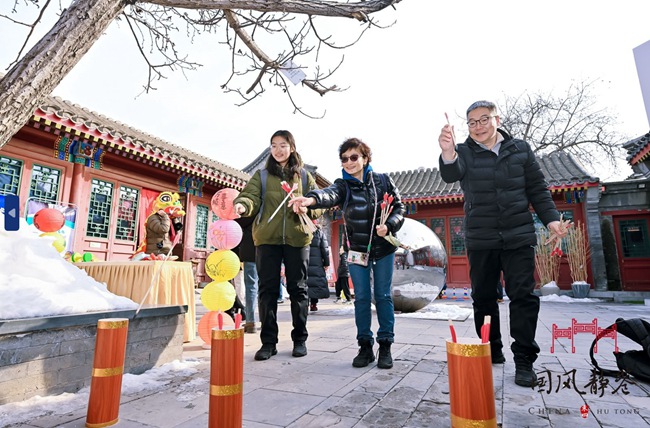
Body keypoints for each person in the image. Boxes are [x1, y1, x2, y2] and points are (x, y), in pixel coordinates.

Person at [437, 100, 568, 387]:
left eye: (484, 119)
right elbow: (450, 174)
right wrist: (447, 152)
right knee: (483, 298)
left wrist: (552, 221)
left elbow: (537, 188)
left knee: (522, 296)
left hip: (518, 235)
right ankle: (491, 348)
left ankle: (524, 360)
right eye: (471, 122)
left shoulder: (519, 149)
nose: (478, 126)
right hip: (481, 237)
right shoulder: (463, 152)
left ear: (498, 119)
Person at [290, 137, 404, 369]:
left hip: (383, 249)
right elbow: (329, 194)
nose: (349, 162)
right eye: (344, 159)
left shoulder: (383, 181)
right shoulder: (343, 185)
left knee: (382, 296)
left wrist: (389, 225)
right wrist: (311, 199)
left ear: (365, 158)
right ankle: (365, 346)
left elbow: (400, 207)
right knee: (361, 298)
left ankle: (385, 345)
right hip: (356, 251)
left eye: (354, 157)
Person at [233, 130, 322, 361]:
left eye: (283, 145)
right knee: (267, 290)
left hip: (297, 237)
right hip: (267, 239)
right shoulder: (261, 176)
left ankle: (299, 339)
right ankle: (268, 342)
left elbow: (319, 202)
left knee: (298, 289)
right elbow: (250, 196)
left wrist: (307, 206)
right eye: (274, 145)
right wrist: (242, 205)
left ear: (292, 147)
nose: (278, 149)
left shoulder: (303, 177)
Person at [234, 216, 259, 333]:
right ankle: (267, 321)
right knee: (268, 286)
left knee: (251, 286)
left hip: (251, 251)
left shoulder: (250, 206)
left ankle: (250, 321)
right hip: (270, 249)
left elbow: (238, 224)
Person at [306, 221, 330, 312]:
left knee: (306, 282)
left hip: (304, 261)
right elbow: (325, 249)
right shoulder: (319, 233)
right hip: (317, 263)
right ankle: (313, 304)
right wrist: (326, 263)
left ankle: (305, 303)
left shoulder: (302, 231)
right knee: (315, 283)